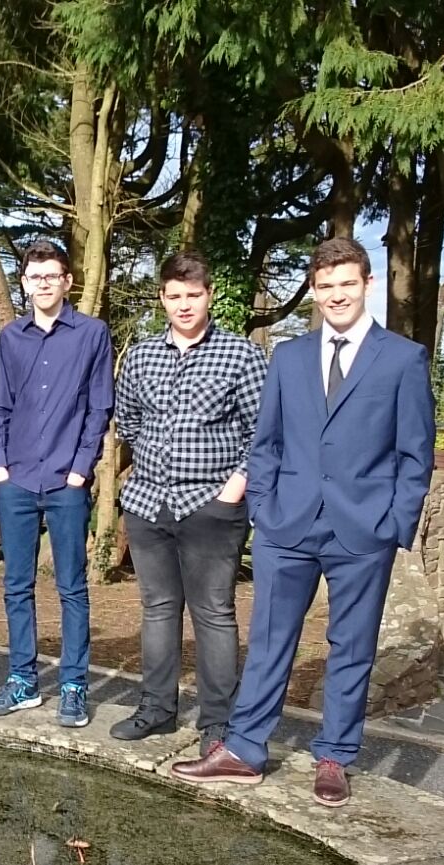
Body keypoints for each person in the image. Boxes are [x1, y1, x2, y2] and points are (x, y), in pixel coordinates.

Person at [169, 237, 435, 808]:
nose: (337, 295)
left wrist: (394, 525)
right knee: (269, 640)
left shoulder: (402, 359)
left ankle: (334, 756)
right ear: (313, 291)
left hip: (363, 530)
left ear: (367, 285)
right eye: (326, 285)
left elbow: (416, 455)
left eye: (347, 284)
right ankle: (244, 750)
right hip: (286, 525)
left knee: (351, 647)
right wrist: (263, 509)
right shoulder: (288, 357)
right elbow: (265, 442)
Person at [108, 250, 268, 745]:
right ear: (162, 297)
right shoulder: (141, 357)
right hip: (148, 503)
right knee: (158, 608)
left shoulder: (241, 355)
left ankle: (218, 721)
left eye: (193, 295)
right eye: (174, 295)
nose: (183, 305)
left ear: (209, 295)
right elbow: (127, 421)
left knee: (213, 612)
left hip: (211, 505)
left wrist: (231, 491)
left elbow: (263, 433)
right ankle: (157, 707)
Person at [0, 239, 114, 728]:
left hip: (66, 481)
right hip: (16, 478)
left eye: (51, 276)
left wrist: (80, 469)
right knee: (16, 585)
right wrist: (0, 465)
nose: (43, 284)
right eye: (35, 277)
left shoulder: (92, 334)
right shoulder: (10, 338)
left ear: (67, 281)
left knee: (72, 587)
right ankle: (23, 680)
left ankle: (74, 686)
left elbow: (99, 406)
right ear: (24, 283)